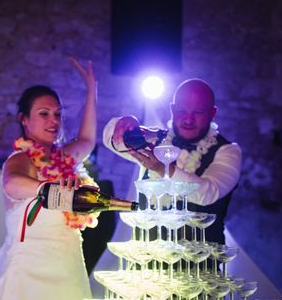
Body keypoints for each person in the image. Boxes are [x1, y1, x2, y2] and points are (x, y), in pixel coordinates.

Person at [0, 57, 97, 300]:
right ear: (24, 119)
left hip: (67, 265)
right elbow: (13, 183)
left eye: (58, 114)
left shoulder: (64, 159)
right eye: (44, 113)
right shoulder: (22, 158)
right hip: (29, 272)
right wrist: (50, 186)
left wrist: (92, 90)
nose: (54, 121)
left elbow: (87, 140)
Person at [103, 78, 242, 244]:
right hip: (147, 263)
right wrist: (125, 124)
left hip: (198, 266)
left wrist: (163, 169)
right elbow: (113, 142)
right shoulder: (158, 140)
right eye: (182, 110)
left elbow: (208, 193)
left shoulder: (227, 151)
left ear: (212, 114)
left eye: (198, 112)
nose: (188, 119)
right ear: (172, 110)